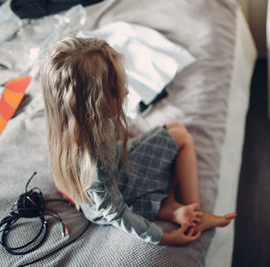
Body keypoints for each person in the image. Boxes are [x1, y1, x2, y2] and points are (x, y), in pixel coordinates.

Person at [40, 36, 236, 246]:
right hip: (111, 196)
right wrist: (166, 238)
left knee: (175, 129)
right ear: (91, 106)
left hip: (115, 166)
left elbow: (112, 149)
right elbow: (115, 214)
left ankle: (171, 208)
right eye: (116, 89)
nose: (126, 92)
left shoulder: (83, 124)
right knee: (181, 138)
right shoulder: (92, 163)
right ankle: (195, 213)